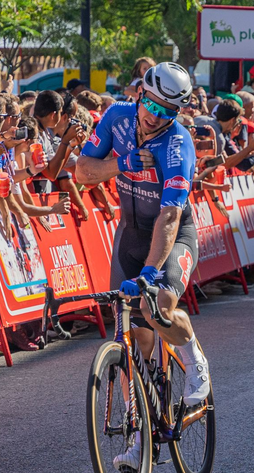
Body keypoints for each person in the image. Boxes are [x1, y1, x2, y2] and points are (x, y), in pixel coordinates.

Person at [77, 62, 210, 436]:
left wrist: (151, 272)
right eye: (150, 105)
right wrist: (121, 164)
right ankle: (138, 430)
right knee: (132, 337)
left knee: (158, 309)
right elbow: (83, 172)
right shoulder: (116, 116)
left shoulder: (178, 144)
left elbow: (170, 216)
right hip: (131, 234)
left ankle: (194, 357)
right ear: (139, 94)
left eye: (166, 112)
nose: (154, 116)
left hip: (172, 235)